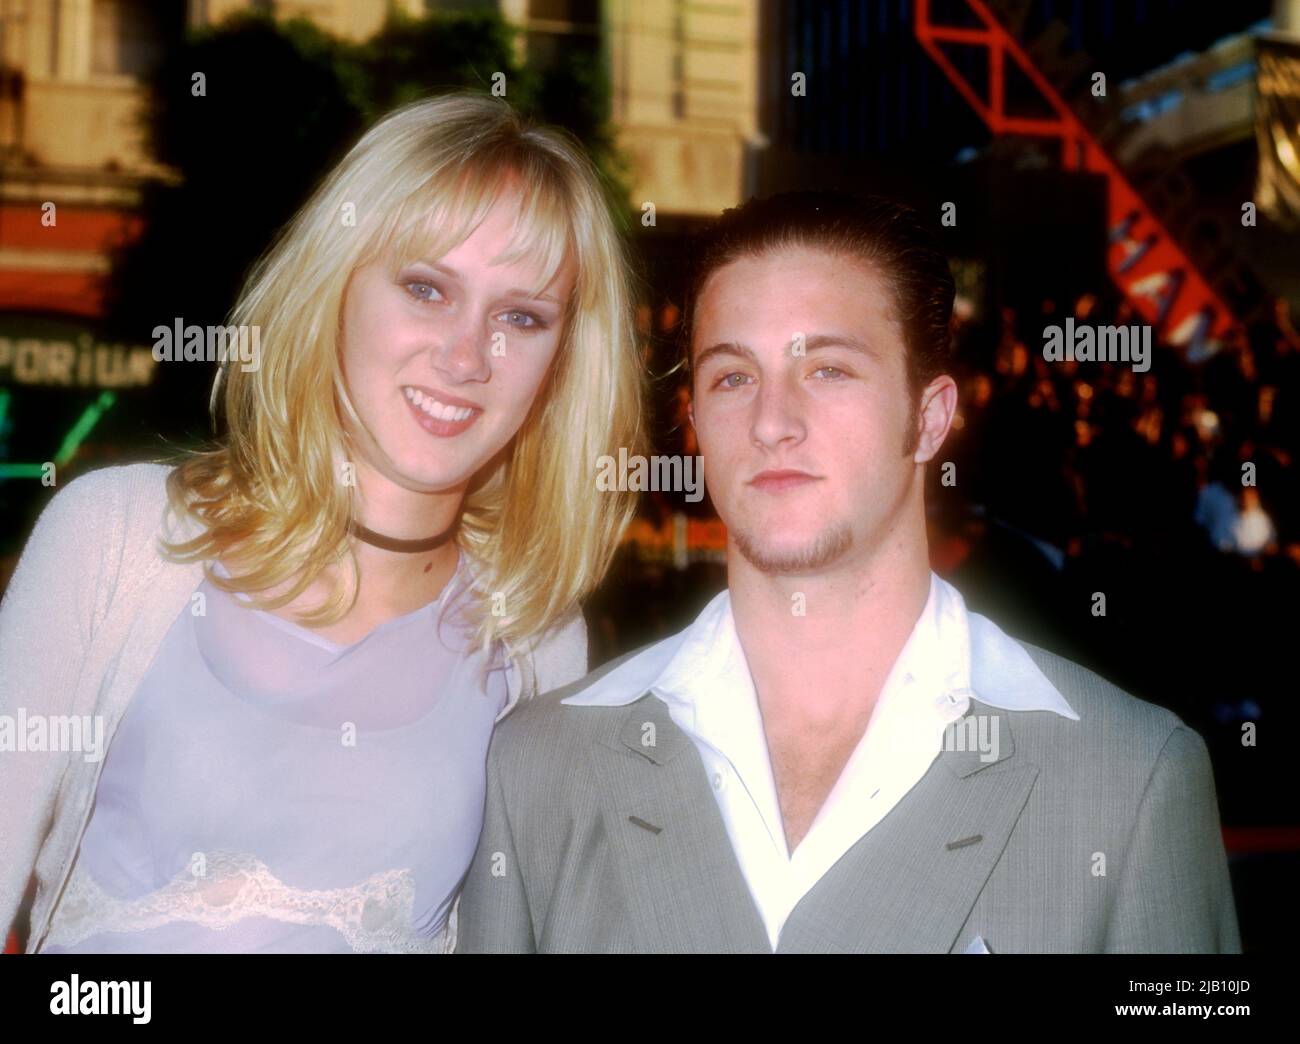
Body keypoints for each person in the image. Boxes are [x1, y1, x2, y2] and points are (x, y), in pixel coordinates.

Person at [456, 190, 1241, 954]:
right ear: (694, 422)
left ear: (929, 417)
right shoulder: (538, 768)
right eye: (733, 376)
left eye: (827, 369)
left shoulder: (1128, 780)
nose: (772, 422)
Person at [0, 90, 644, 953]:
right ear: (336, 288)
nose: (464, 356)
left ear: (563, 362)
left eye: (520, 317)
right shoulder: (116, 542)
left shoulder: (533, 637)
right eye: (425, 288)